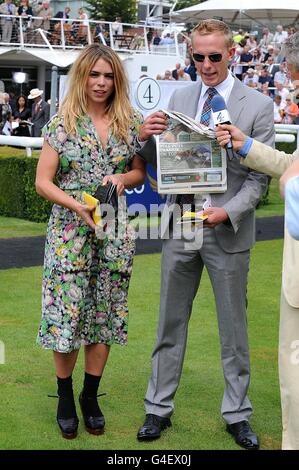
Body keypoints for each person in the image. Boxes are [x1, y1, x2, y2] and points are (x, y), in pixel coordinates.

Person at [136, 19, 274, 450]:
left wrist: (225, 212)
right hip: (181, 227)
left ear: (231, 53)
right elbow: (155, 162)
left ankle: (237, 414)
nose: (207, 64)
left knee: (234, 330)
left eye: (215, 56)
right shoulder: (179, 96)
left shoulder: (258, 105)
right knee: (169, 323)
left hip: (228, 229)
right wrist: (146, 137)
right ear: (190, 55)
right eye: (199, 56)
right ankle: (157, 409)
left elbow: (259, 181)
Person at [35, 44, 146, 439]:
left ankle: (90, 395)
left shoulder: (130, 123)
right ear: (82, 77)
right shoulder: (62, 123)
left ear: (117, 80)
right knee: (66, 316)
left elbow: (139, 174)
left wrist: (120, 178)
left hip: (114, 232)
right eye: (94, 75)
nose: (101, 83)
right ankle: (65, 396)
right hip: (69, 233)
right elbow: (43, 181)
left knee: (104, 315)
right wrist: (76, 205)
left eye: (108, 76)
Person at [215, 30, 299, 451]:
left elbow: (290, 181)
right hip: (290, 269)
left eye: (295, 74)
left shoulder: (261, 102)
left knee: (290, 361)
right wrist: (246, 145)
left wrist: (289, 187)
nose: (291, 79)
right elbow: (288, 163)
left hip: (273, 252)